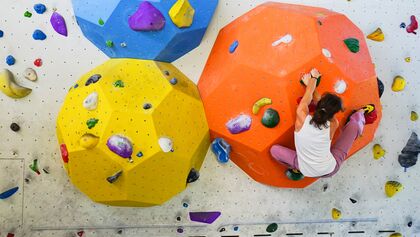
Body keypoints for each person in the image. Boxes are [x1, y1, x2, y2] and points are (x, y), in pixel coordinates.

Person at [270, 69, 375, 178]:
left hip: (306, 169)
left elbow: (308, 94)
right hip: (328, 170)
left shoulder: (301, 116)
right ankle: (360, 114)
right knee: (354, 127)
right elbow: (320, 104)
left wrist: (313, 79)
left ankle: (295, 168)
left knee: (274, 150)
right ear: (334, 113)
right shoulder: (334, 123)